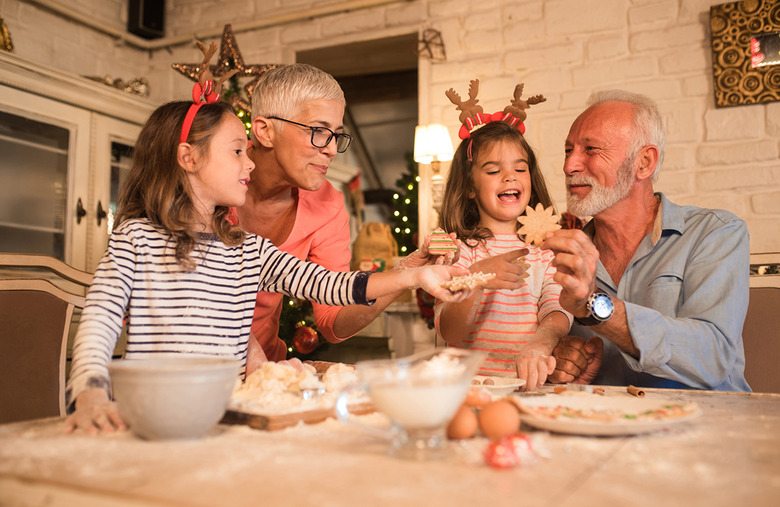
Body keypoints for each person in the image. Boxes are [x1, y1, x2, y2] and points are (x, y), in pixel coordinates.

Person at [64, 90, 472, 433]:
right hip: (151, 417)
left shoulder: (247, 249)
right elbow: (99, 319)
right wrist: (91, 392)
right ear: (188, 158)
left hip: (223, 419)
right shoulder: (137, 238)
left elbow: (332, 285)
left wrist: (413, 274)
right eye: (238, 151)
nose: (250, 162)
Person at [237, 64, 453, 370]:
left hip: (266, 372)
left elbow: (332, 314)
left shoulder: (327, 204)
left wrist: (405, 275)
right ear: (265, 131)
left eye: (337, 136)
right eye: (318, 132)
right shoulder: (211, 179)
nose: (332, 150)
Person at [543, 89, 750, 391]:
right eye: (567, 150)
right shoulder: (558, 256)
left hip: (707, 426)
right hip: (604, 425)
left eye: (591, 150)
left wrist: (595, 305)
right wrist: (561, 364)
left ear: (644, 162)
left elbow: (713, 357)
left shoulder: (716, 233)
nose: (569, 166)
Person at [434, 121, 572, 390]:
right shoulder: (456, 251)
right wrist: (476, 278)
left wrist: (540, 344)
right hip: (469, 388)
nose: (510, 177)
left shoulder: (546, 251)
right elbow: (450, 331)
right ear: (469, 187)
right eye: (494, 170)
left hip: (529, 385)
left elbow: (557, 311)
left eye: (520, 168)